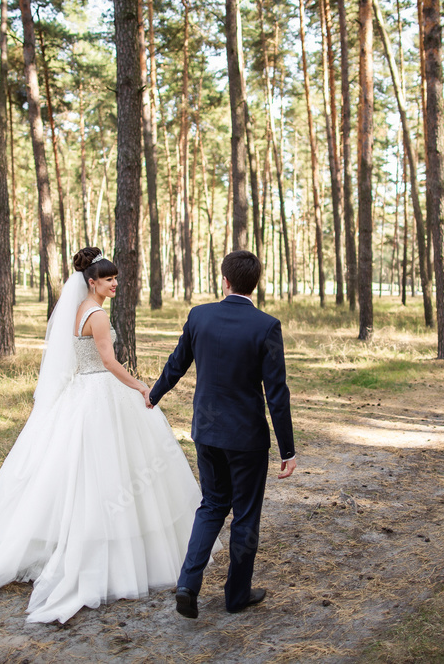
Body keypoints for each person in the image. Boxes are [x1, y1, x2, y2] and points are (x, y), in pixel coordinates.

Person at [0, 247, 209, 624]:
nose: (115, 284)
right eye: (109, 279)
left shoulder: (78, 311)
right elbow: (108, 363)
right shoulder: (99, 317)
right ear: (92, 282)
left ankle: (77, 540)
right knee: (110, 472)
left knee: (79, 472)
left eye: (116, 279)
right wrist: (141, 386)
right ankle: (105, 551)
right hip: (100, 393)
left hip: (81, 393)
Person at [146, 250, 297, 619]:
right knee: (245, 515)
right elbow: (276, 394)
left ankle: (188, 583)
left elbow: (176, 363)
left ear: (225, 281)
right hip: (246, 439)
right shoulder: (266, 326)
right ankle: (236, 595)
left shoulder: (200, 316)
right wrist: (287, 450)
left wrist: (154, 394)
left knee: (212, 505)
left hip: (207, 433)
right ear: (254, 284)